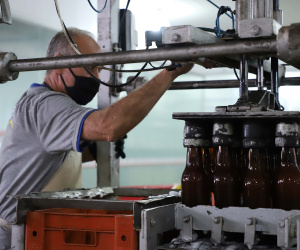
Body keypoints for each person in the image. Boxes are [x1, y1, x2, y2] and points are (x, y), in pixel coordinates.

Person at [0, 28, 193, 249]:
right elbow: (108, 126)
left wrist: (99, 147)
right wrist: (170, 71)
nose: (97, 77)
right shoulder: (46, 104)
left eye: (99, 68)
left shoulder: (43, 104)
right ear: (59, 64)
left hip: (43, 230)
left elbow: (51, 161)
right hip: (17, 237)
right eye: (90, 66)